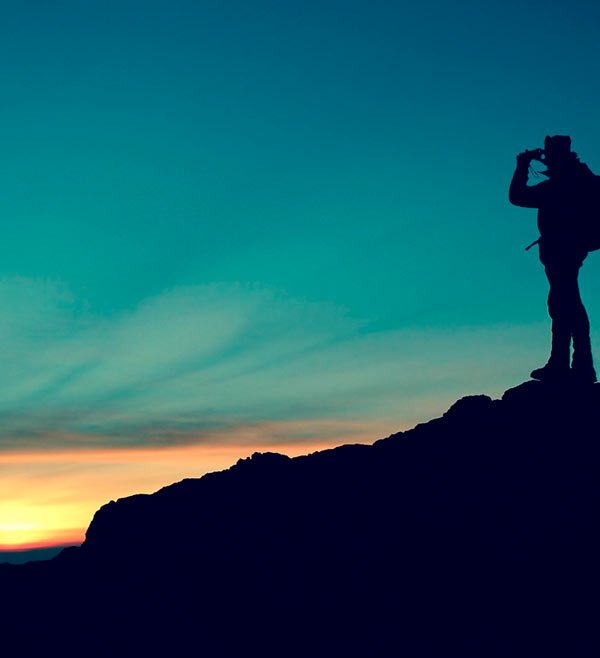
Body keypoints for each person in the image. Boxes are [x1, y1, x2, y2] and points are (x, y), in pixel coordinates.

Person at [509, 135, 596, 384]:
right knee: (564, 302)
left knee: (564, 304)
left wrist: (522, 165)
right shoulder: (579, 179)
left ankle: (569, 365)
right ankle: (573, 364)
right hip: (570, 249)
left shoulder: (561, 185)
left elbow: (517, 196)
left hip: (563, 250)